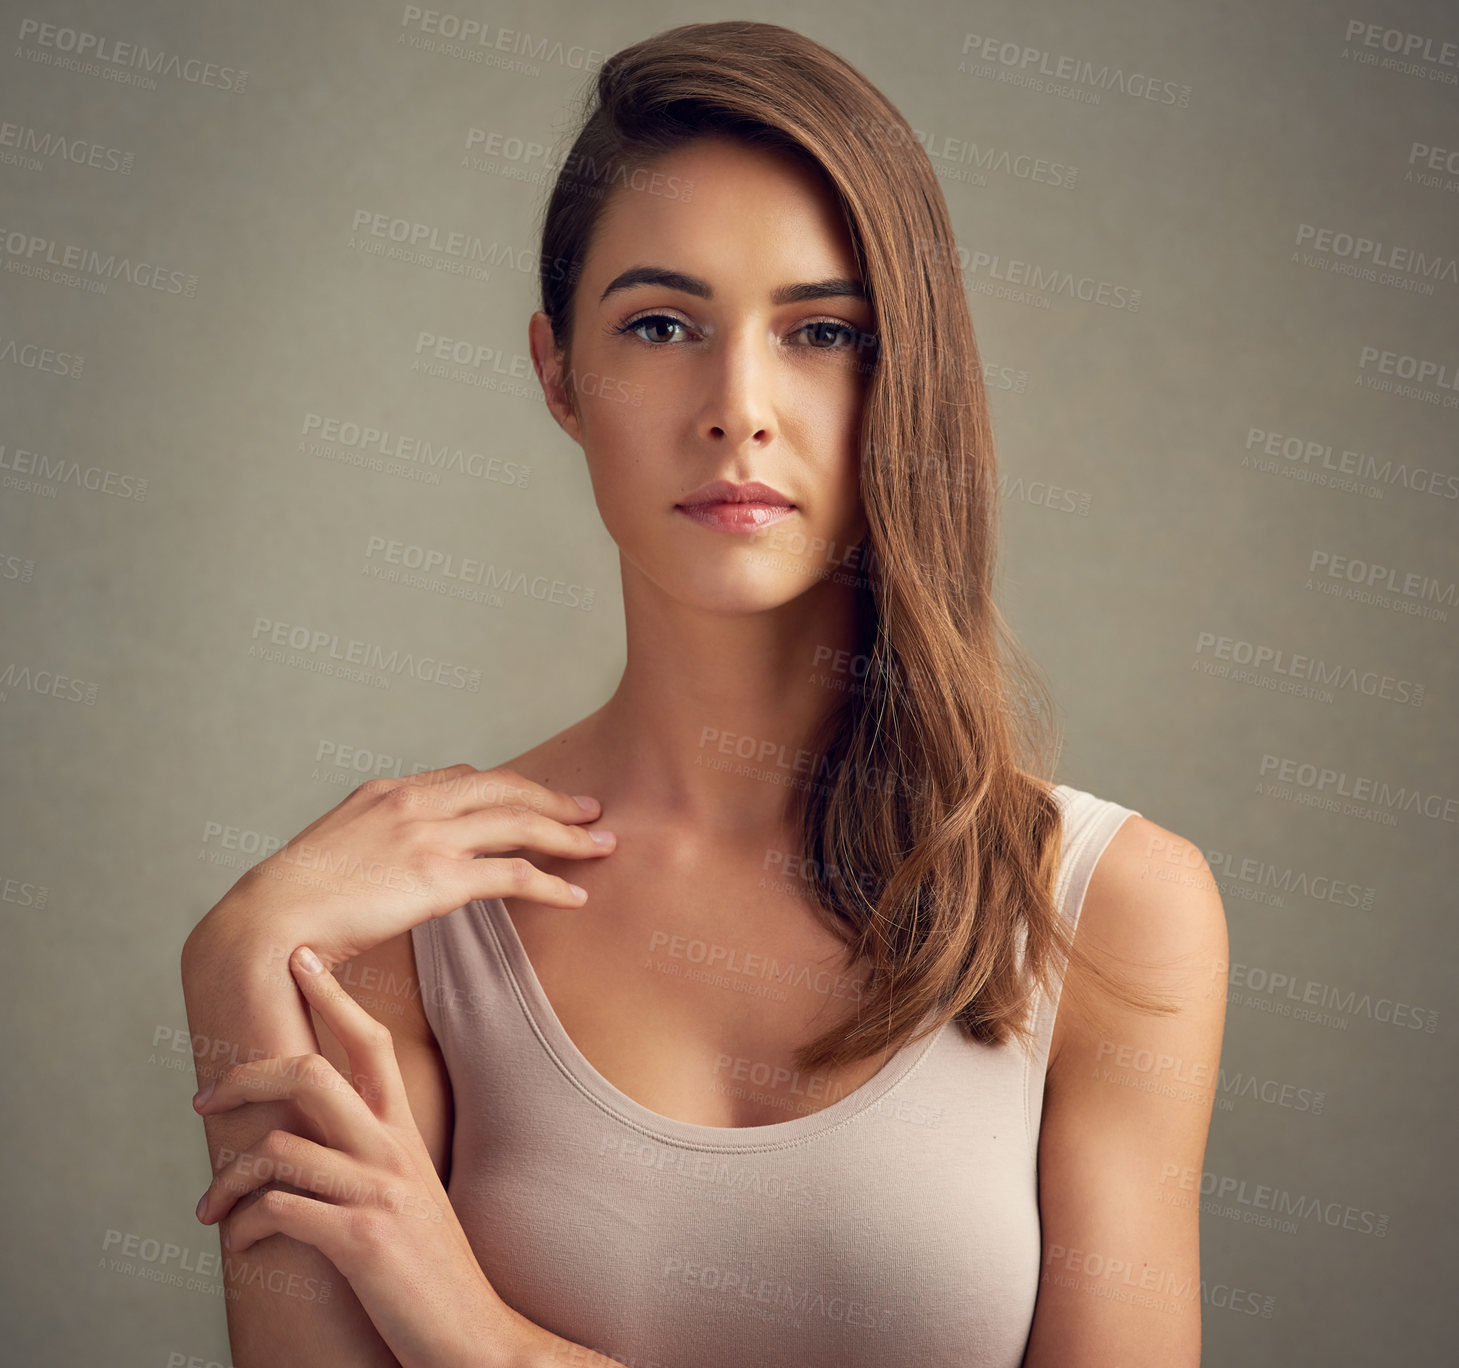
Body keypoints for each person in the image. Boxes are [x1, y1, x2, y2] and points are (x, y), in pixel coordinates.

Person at [181, 20, 1227, 1368]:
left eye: (821, 332)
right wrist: (233, 968)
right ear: (559, 373)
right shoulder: (406, 929)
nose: (738, 405)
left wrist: (486, 1342)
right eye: (663, 325)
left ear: (905, 372)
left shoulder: (1108, 915)